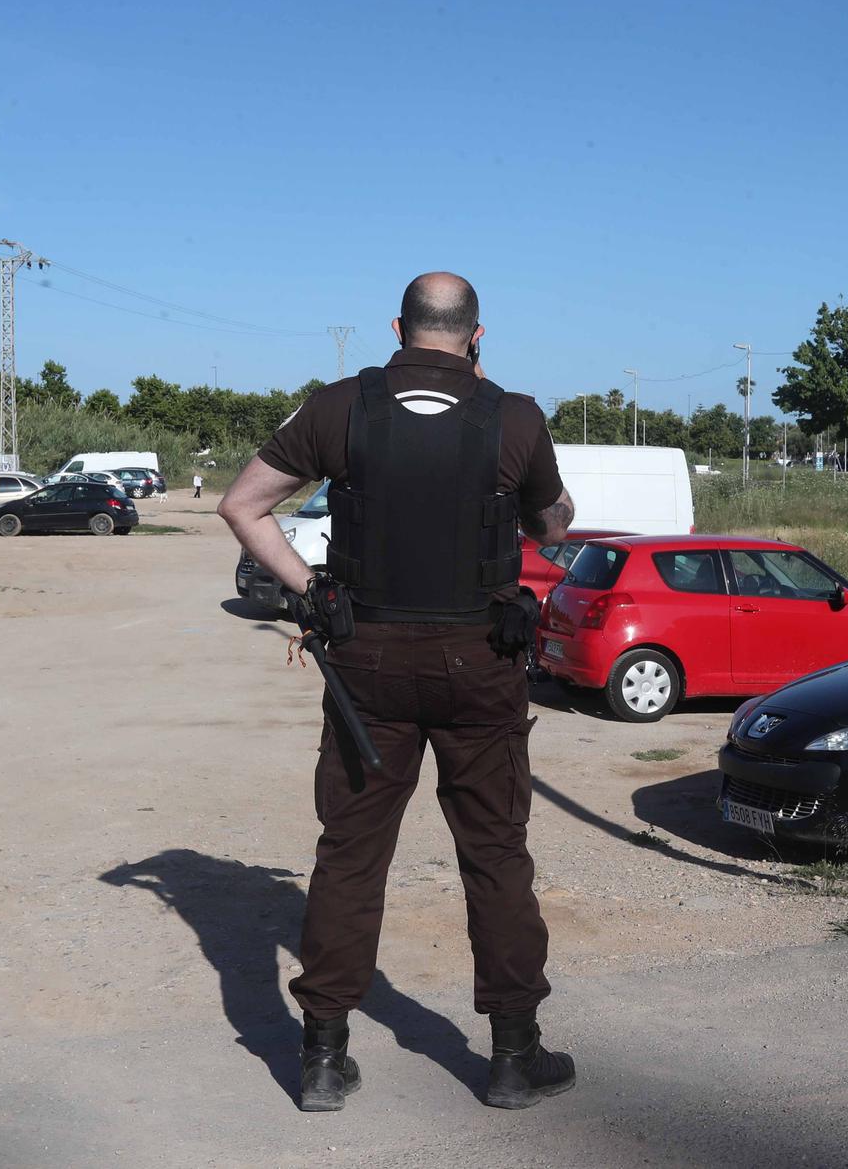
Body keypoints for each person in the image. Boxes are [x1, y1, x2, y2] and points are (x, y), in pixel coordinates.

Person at [219, 272, 577, 1114]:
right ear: (477, 334)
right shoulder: (515, 417)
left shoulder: (340, 407)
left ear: (399, 327)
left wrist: (310, 590)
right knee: (494, 852)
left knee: (350, 855)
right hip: (480, 661)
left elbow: (242, 505)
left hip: (366, 664)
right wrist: (546, 500)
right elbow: (552, 526)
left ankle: (321, 1056)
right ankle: (515, 1057)